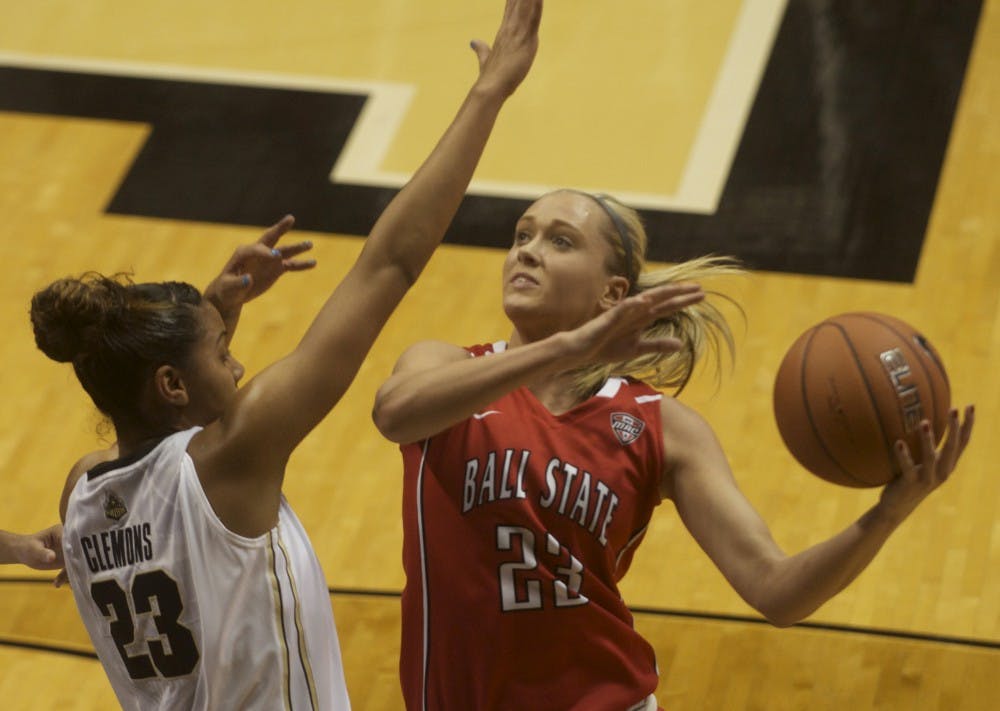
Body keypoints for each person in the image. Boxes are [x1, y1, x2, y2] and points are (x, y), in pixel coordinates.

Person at [32, 2, 543, 708]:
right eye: (222, 353)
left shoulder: (84, 492)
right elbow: (389, 264)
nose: (238, 367)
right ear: (173, 383)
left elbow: (158, 440)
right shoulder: (232, 455)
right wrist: (489, 93)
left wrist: (210, 317)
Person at [372, 189, 975, 710]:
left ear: (612, 293)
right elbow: (395, 415)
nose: (527, 250)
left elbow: (779, 592)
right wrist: (565, 349)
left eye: (560, 241)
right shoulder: (443, 366)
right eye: (522, 235)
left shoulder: (664, 428)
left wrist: (888, 514)